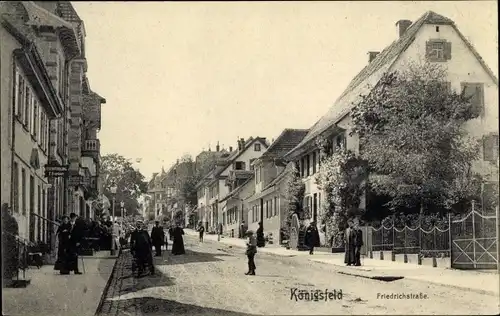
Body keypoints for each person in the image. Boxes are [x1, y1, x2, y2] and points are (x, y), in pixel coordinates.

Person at [1, 203, 19, 283]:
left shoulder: (11, 219)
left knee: (9, 258)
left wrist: (11, 234)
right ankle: (8, 274)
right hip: (7, 242)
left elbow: (15, 230)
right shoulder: (5, 218)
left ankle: (9, 274)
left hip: (9, 242)